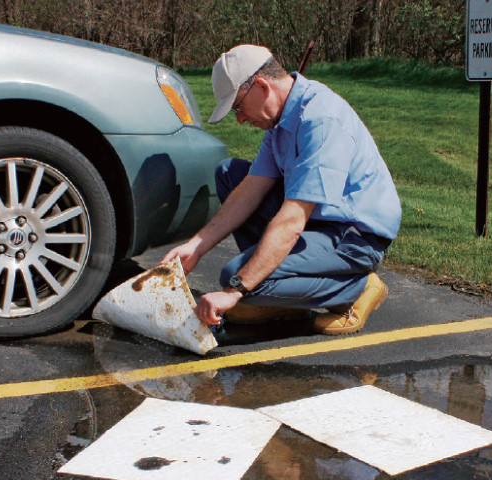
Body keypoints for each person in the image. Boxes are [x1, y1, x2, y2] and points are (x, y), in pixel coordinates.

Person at [161, 44, 401, 334]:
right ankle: (280, 292)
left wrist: (236, 289)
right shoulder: (280, 119)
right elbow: (250, 189)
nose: (239, 118)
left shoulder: (320, 121)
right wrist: (196, 246)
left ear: (262, 86)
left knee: (235, 276)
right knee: (230, 174)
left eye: (237, 107)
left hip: (354, 236)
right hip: (321, 220)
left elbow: (292, 222)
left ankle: (358, 287)